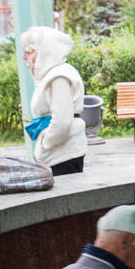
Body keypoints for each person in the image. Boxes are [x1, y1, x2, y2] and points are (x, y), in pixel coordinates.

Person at [20, 26, 87, 176]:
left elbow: (62, 121)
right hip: (60, 151)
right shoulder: (53, 74)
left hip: (63, 153)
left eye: (29, 52)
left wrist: (46, 142)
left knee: (67, 197)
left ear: (44, 53)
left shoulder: (58, 77)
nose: (24, 56)